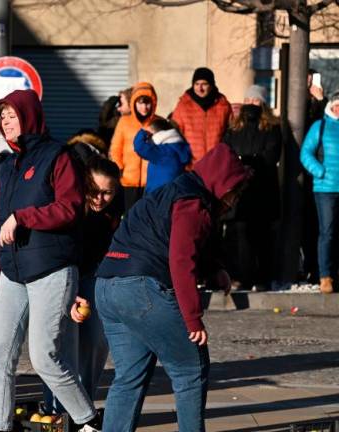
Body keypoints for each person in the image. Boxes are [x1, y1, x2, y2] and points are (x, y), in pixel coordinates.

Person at [95, 143, 249, 431]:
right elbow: (181, 259)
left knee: (129, 377)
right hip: (141, 288)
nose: (233, 200)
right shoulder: (193, 203)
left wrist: (214, 269)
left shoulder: (173, 192)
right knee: (190, 368)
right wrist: (192, 317)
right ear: (221, 183)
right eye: (234, 192)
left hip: (107, 286)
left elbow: (174, 241)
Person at [0, 89, 101, 431]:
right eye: (1, 117)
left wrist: (24, 217)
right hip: (12, 273)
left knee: (45, 358)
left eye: (12, 115)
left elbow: (70, 207)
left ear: (29, 115)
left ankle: (88, 421)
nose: (6, 122)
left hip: (51, 269)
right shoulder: (7, 167)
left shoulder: (58, 157)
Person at [44, 156, 123, 416]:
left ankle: (83, 404)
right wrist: (71, 293)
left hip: (93, 275)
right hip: (63, 275)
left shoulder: (116, 209)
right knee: (63, 346)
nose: (100, 198)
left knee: (98, 340)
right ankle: (56, 408)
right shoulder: (73, 208)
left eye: (107, 192)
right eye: (94, 191)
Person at [222, 85, 282, 292]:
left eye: (255, 101)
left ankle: (262, 278)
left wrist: (251, 163)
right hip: (239, 191)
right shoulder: (234, 128)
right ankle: (240, 276)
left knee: (262, 236)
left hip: (263, 190)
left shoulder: (272, 128)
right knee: (239, 235)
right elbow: (225, 153)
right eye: (248, 99)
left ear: (263, 104)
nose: (251, 104)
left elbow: (272, 155)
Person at [300, 91, 339, 294]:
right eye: (336, 105)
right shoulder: (320, 126)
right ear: (331, 107)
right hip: (325, 189)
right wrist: (319, 171)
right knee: (327, 233)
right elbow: (305, 153)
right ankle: (326, 276)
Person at [110, 82, 158, 210]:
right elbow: (116, 149)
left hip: (151, 182)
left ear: (153, 103)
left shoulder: (158, 123)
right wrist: (119, 168)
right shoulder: (124, 122)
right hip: (128, 181)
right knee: (129, 216)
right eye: (140, 103)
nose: (144, 107)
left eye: (147, 103)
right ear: (134, 103)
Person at [171, 67, 233, 163]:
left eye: (204, 84)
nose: (200, 89)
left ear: (211, 85)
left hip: (216, 164)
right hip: (191, 166)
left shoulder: (223, 106)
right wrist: (184, 157)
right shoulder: (183, 106)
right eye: (197, 84)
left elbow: (232, 133)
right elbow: (174, 135)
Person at [133, 117, 192, 194]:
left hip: (158, 194)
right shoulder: (179, 147)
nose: (147, 140)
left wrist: (143, 132)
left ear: (158, 135)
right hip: (173, 193)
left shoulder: (163, 152)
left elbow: (139, 147)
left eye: (149, 135)